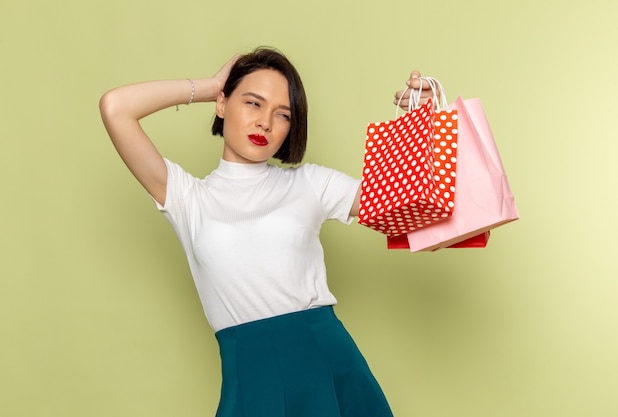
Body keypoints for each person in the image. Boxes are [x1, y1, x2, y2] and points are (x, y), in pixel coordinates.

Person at [99, 47, 436, 417]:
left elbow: (412, 205)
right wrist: (210, 86)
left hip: (327, 361)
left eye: (283, 114)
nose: (265, 123)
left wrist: (425, 122)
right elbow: (116, 107)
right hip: (249, 372)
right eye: (253, 104)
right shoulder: (187, 197)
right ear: (223, 104)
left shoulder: (310, 183)